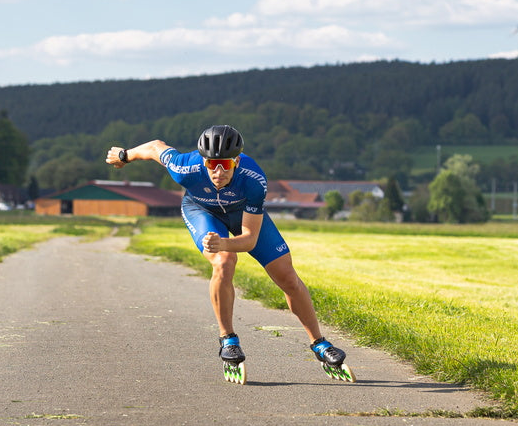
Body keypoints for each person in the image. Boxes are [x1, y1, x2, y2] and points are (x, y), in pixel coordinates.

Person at [105, 125, 348, 373]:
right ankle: (228, 339)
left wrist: (225, 243)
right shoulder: (184, 168)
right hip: (201, 210)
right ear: (203, 160)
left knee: (287, 276)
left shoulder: (254, 179)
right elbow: (156, 147)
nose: (218, 172)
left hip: (241, 212)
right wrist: (125, 155)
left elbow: (250, 239)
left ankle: (319, 343)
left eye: (225, 164)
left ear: (237, 161)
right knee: (223, 262)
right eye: (211, 164)